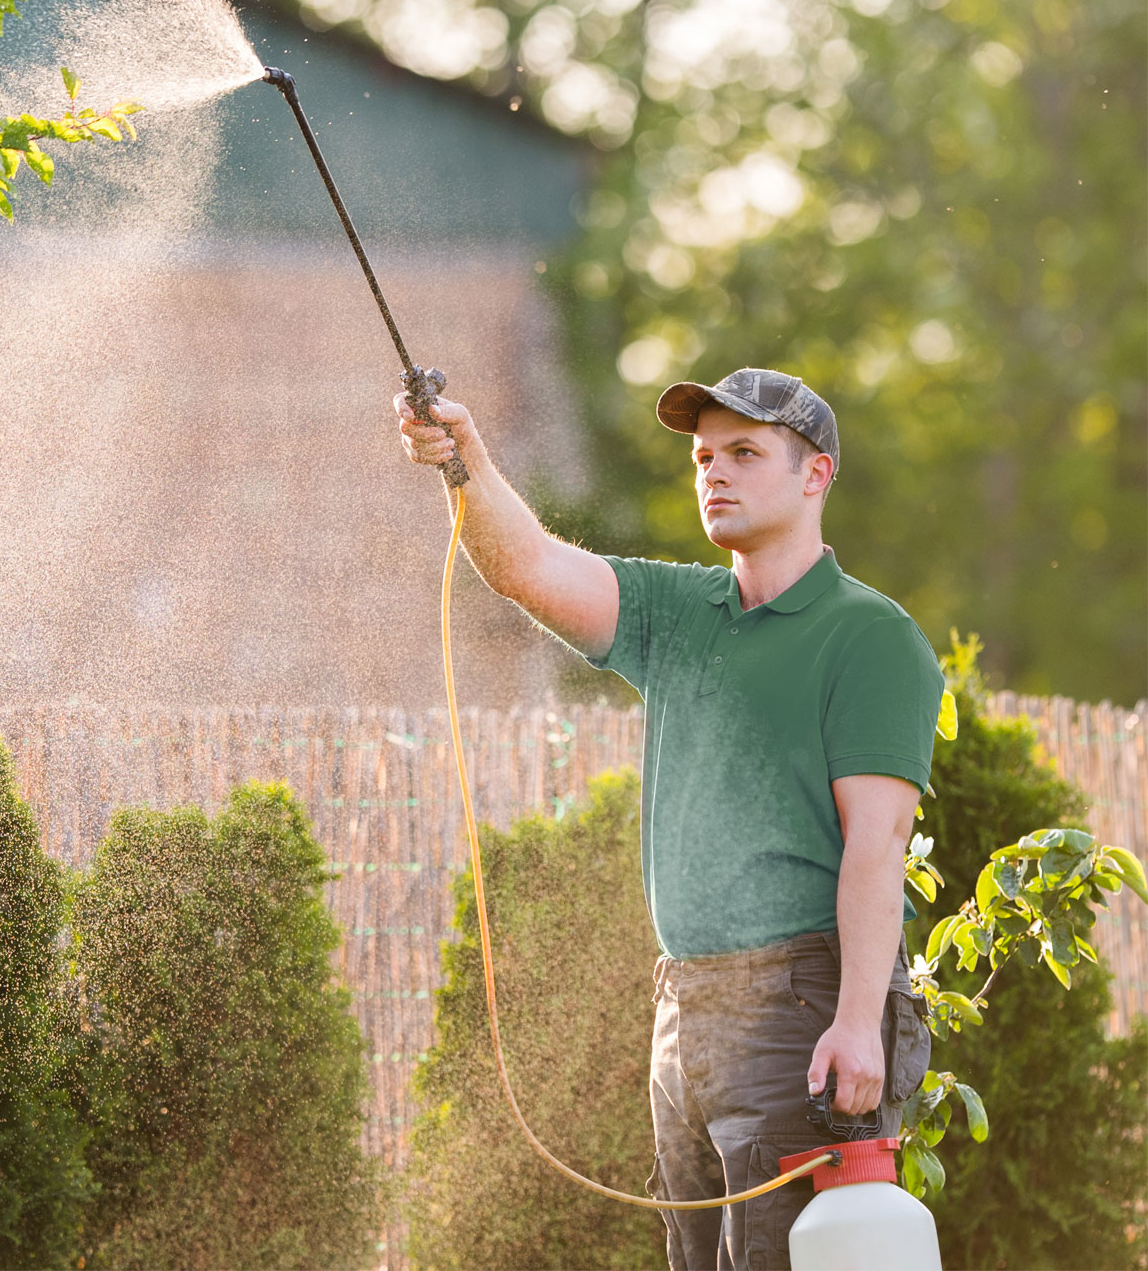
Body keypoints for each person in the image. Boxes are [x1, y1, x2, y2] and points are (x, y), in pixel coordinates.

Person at [396, 367, 939, 1271]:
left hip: (799, 1011)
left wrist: (853, 1021)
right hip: (684, 1007)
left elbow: (877, 845)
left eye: (744, 453)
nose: (713, 473)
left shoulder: (868, 636)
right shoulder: (678, 613)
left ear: (817, 474)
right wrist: (467, 464)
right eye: (703, 456)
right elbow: (525, 564)